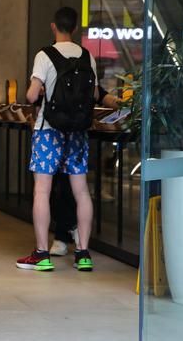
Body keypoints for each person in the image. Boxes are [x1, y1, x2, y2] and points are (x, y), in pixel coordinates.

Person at [17, 7, 99, 272]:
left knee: (42, 190)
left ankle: (42, 254)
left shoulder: (45, 55)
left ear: (54, 27)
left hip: (48, 130)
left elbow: (31, 96)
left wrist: (40, 88)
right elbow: (94, 95)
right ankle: (83, 253)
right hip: (77, 131)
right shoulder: (87, 55)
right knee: (81, 191)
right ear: (74, 28)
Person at [49, 85, 120, 256]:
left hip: (74, 133)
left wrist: (123, 103)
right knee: (54, 188)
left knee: (66, 186)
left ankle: (64, 234)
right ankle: (70, 229)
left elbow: (102, 95)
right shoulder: (52, 67)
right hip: (53, 132)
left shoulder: (85, 71)